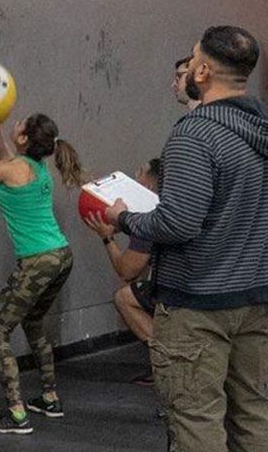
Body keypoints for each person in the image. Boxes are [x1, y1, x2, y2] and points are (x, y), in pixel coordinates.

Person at [104, 25, 268, 452]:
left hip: (198, 303)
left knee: (195, 415)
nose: (185, 71)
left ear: (202, 71)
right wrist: (260, 238)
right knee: (253, 409)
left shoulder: (194, 133)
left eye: (191, 59)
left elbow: (177, 223)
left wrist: (123, 218)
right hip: (259, 299)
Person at [0, 111, 84, 434]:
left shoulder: (14, 168)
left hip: (38, 261)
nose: (16, 121)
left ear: (23, 139)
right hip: (61, 256)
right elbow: (8, 160)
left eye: (20, 123)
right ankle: (49, 398)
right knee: (33, 321)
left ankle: (17, 415)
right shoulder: (34, 165)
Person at [80, 159, 160, 384]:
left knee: (124, 297)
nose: (135, 178)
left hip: (182, 291)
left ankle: (167, 361)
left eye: (139, 173)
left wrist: (107, 237)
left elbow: (126, 271)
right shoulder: (168, 206)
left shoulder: (147, 215)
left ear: (149, 185)